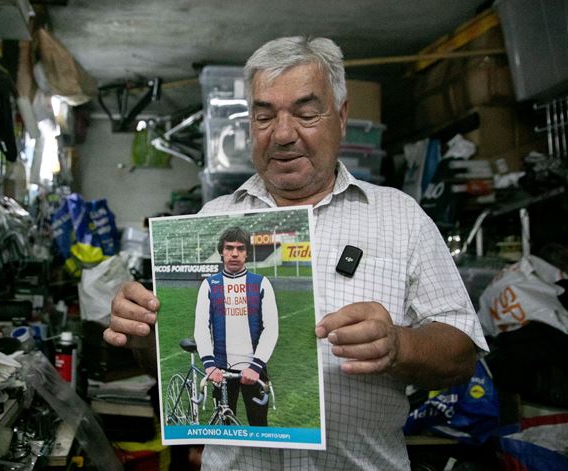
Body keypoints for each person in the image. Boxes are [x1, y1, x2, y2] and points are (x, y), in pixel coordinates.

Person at [105, 35, 487, 469]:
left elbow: (461, 356)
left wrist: (400, 345)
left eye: (306, 114)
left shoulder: (400, 218)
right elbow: (167, 358)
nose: (283, 134)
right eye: (264, 116)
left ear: (341, 116)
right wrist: (143, 336)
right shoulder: (211, 220)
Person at [194, 226, 279, 426]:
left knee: (259, 425)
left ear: (247, 253)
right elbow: (201, 327)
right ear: (221, 252)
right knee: (224, 426)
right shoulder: (209, 284)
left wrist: (256, 366)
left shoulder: (261, 283)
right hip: (220, 370)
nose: (234, 253)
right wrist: (210, 366)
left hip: (255, 369)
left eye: (240, 248)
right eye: (229, 248)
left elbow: (271, 328)